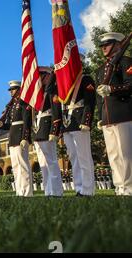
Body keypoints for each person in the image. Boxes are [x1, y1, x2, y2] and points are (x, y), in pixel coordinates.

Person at [96, 32, 132, 196]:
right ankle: (120, 186)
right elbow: (98, 97)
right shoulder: (101, 69)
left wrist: (112, 89)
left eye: (107, 44)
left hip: (123, 112)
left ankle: (129, 187)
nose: (104, 48)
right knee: (114, 154)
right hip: (107, 116)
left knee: (126, 153)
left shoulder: (125, 62)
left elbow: (130, 85)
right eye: (102, 45)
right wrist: (99, 118)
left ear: (118, 44)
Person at [61, 67, 96, 196]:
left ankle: (88, 189)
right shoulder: (64, 82)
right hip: (68, 123)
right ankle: (79, 188)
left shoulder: (85, 79)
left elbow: (90, 101)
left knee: (84, 156)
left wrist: (86, 121)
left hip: (80, 120)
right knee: (73, 157)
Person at [0, 80, 33, 197]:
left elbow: (27, 121)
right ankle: (19, 191)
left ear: (19, 90)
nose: (11, 92)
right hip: (13, 137)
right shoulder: (12, 105)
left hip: (20, 137)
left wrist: (25, 137)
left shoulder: (24, 103)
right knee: (16, 167)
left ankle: (27, 192)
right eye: (10, 90)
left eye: (13, 89)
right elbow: (12, 124)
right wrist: (2, 125)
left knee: (23, 165)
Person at [32, 67, 64, 197]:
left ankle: (56, 191)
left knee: (51, 161)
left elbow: (56, 111)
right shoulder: (38, 94)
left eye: (41, 76)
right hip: (39, 128)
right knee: (43, 163)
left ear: (47, 76)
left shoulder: (52, 91)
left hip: (47, 126)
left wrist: (54, 130)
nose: (38, 79)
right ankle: (48, 190)